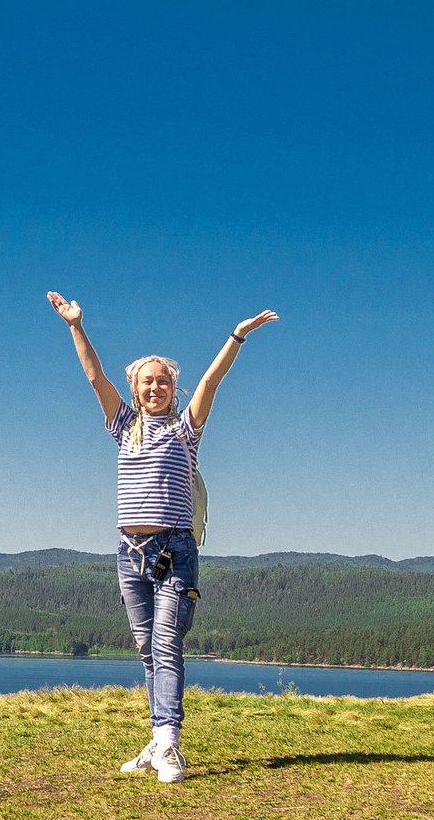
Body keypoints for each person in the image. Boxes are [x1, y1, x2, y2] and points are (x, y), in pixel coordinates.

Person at [46, 291, 278, 783]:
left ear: (174, 387)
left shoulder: (184, 431)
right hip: (129, 553)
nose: (156, 387)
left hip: (176, 551)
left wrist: (237, 335)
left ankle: (169, 743)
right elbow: (93, 376)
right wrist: (75, 325)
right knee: (148, 649)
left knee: (167, 643)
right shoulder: (123, 426)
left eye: (164, 381)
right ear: (135, 388)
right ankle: (159, 739)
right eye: (148, 381)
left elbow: (212, 381)